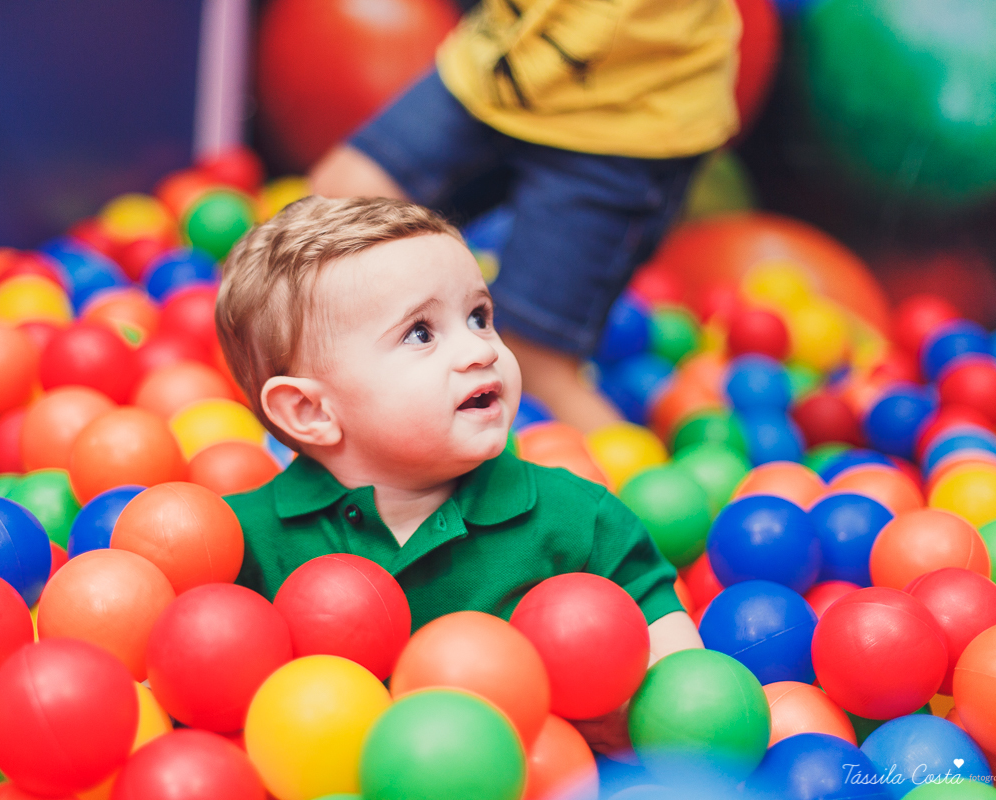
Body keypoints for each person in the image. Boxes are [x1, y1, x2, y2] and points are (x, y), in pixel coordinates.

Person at [216, 195, 702, 754]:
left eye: (479, 317)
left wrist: (642, 724)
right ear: (311, 411)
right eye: (420, 333)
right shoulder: (238, 544)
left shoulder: (580, 519)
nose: (479, 350)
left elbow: (683, 686)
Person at [310, 0, 741, 433]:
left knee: (530, 364)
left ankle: (628, 473)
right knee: (343, 199)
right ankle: (389, 379)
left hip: (626, 120)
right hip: (504, 60)